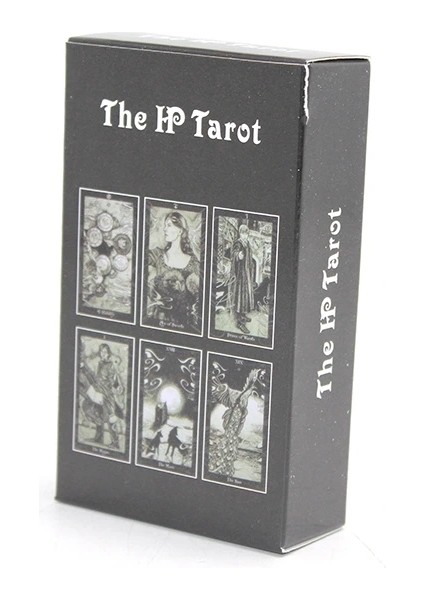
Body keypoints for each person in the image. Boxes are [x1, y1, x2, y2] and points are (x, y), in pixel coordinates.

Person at [147, 211, 200, 329]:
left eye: (169, 225)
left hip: (183, 321)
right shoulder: (157, 255)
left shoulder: (193, 262)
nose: (164, 229)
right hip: (159, 319)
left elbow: (198, 295)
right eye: (165, 225)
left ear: (180, 231)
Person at [79, 343, 124, 449]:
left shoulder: (110, 365)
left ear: (108, 353)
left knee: (111, 418)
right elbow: (96, 378)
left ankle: (115, 443)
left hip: (107, 395)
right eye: (101, 351)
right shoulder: (100, 363)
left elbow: (114, 381)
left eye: (104, 352)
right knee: (98, 413)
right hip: (99, 392)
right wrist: (84, 368)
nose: (102, 354)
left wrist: (116, 387)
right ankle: (99, 438)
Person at [229, 224, 255, 334]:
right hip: (240, 275)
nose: (245, 235)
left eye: (246, 234)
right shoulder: (238, 243)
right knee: (240, 297)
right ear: (240, 233)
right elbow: (233, 254)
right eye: (243, 233)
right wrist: (237, 256)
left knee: (246, 297)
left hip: (247, 274)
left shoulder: (247, 243)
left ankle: (243, 315)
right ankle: (240, 323)